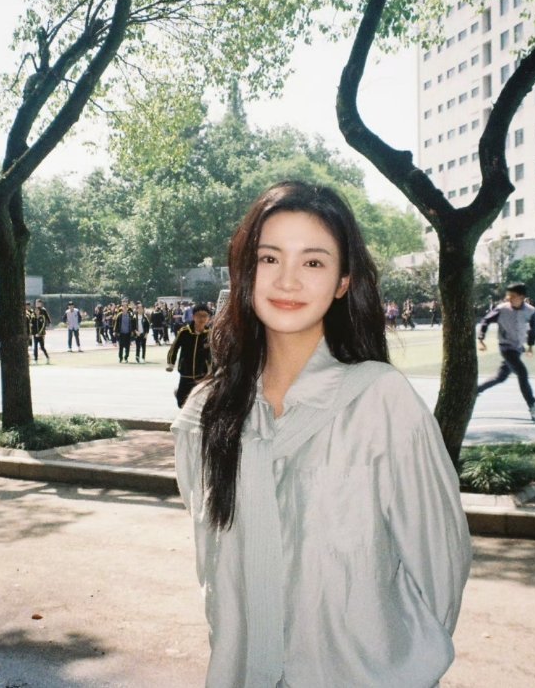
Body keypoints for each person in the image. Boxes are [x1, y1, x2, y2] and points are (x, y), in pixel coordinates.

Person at [172, 181, 471, 686]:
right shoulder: (206, 414)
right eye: (269, 258)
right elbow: (214, 567)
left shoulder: (380, 402)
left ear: (342, 281)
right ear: (245, 273)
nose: (287, 280)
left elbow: (440, 564)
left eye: (313, 262)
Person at [476, 282, 535, 421]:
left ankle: (474, 391)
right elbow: (485, 321)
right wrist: (481, 338)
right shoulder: (502, 309)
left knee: (500, 377)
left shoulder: (530, 311)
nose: (509, 298)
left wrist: (530, 345)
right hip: (506, 347)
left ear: (522, 297)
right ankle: (533, 406)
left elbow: (533, 329)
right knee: (522, 373)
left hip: (518, 348)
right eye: (508, 295)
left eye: (513, 296)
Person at [165, 303, 212, 407]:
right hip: (186, 371)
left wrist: (212, 368)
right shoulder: (184, 332)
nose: (202, 319)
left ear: (208, 318)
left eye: (205, 316)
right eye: (199, 315)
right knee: (181, 403)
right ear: (193, 316)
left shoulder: (210, 334)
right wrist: (170, 363)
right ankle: (178, 393)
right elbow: (174, 347)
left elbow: (213, 353)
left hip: (202, 372)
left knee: (200, 402)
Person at [30, 299, 51, 364]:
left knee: (42, 347)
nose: (36, 311)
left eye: (37, 310)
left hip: (40, 334)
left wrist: (39, 333)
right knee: (35, 347)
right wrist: (32, 332)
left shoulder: (42, 316)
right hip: (35, 334)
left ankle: (47, 357)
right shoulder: (33, 316)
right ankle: (36, 360)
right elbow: (31, 324)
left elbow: (43, 325)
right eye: (35, 310)